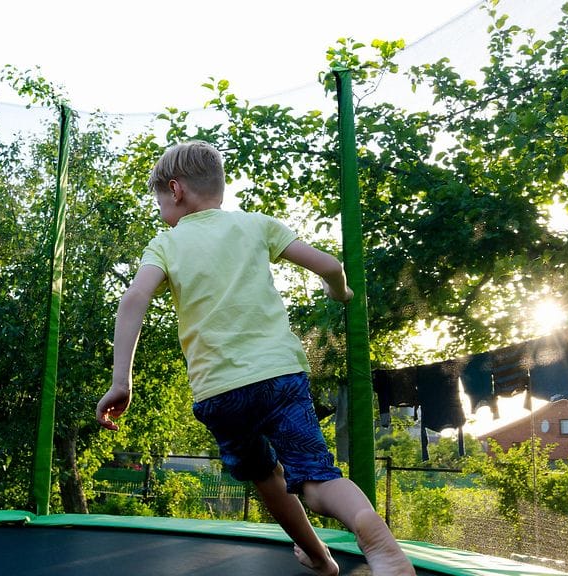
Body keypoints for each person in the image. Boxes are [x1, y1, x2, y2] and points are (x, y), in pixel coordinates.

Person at [96, 141, 416, 576]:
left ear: (176, 190)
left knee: (267, 477)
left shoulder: (166, 245)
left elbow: (134, 299)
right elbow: (329, 264)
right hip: (280, 377)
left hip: (220, 392)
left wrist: (122, 382)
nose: (160, 212)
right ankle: (372, 534)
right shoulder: (256, 225)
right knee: (317, 480)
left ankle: (321, 559)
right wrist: (339, 292)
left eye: (158, 202)